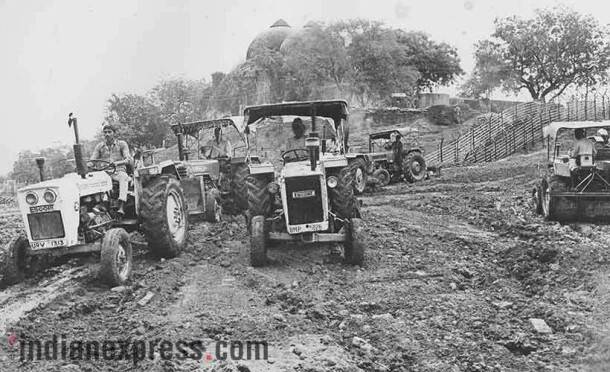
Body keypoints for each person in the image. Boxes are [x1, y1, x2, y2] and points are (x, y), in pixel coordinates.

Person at [91, 123, 132, 215]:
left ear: (114, 133)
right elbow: (93, 159)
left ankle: (121, 206)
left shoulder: (121, 144)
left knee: (123, 177)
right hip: (104, 173)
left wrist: (117, 163)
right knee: (93, 180)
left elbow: (128, 159)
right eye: (105, 132)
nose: (107, 134)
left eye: (109, 132)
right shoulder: (100, 146)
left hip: (118, 171)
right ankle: (101, 204)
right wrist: (87, 164)